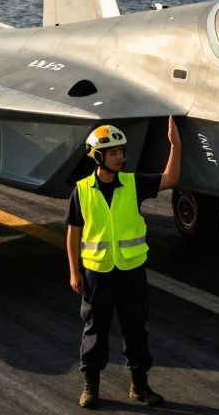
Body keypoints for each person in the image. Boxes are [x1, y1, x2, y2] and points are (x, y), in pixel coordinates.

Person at [66, 117, 180, 409]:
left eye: (121, 151)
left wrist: (175, 145)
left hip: (130, 270)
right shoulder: (82, 190)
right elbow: (73, 232)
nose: (120, 156)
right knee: (95, 330)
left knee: (135, 329)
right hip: (97, 271)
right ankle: (91, 386)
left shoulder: (133, 183)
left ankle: (139, 386)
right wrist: (74, 271)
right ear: (98, 156)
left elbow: (170, 179)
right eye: (114, 152)